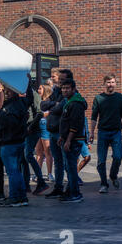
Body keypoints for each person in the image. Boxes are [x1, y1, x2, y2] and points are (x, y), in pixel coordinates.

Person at [0, 76, 33, 207]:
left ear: (14, 90)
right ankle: (21, 197)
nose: (5, 92)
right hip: (16, 141)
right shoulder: (21, 102)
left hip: (10, 142)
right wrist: (28, 82)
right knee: (16, 171)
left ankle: (15, 197)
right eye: (5, 89)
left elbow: (12, 123)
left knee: (12, 171)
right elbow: (29, 97)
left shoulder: (13, 105)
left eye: (8, 89)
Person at [90, 74, 122, 194]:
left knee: (118, 156)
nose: (110, 84)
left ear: (115, 84)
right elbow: (93, 117)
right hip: (102, 132)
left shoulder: (120, 97)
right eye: (108, 82)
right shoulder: (98, 98)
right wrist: (92, 132)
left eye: (112, 82)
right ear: (104, 84)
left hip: (116, 132)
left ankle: (113, 175)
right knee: (101, 160)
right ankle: (103, 184)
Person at [43, 68, 74, 199]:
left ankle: (72, 188)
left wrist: (52, 106)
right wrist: (52, 105)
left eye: (62, 80)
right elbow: (43, 105)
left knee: (67, 163)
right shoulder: (56, 90)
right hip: (52, 131)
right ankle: (58, 188)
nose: (60, 83)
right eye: (59, 80)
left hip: (62, 134)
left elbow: (59, 108)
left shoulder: (70, 94)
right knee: (58, 163)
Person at [57, 78, 87, 203]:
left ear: (73, 89)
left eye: (67, 88)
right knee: (69, 168)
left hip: (74, 141)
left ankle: (75, 194)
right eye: (63, 88)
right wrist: (62, 137)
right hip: (68, 139)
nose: (64, 90)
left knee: (71, 168)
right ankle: (70, 191)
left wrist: (68, 140)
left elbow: (75, 125)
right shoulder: (70, 102)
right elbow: (66, 123)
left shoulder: (75, 104)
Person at [20, 82, 49, 196]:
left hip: (32, 130)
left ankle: (41, 182)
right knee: (23, 157)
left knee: (28, 155)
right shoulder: (22, 92)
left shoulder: (33, 94)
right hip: (25, 129)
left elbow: (39, 113)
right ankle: (26, 185)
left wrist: (31, 127)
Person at [36, 84, 54, 182]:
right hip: (37, 126)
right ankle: (38, 174)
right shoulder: (39, 100)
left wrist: (39, 115)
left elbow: (49, 113)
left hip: (45, 125)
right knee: (38, 152)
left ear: (45, 90)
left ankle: (50, 174)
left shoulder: (48, 102)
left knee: (47, 151)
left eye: (40, 88)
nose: (38, 90)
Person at [77, 116, 91, 183]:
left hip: (82, 140)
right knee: (76, 160)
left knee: (87, 157)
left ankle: (75, 174)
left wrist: (88, 142)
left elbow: (86, 129)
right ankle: (74, 177)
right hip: (73, 140)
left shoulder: (84, 117)